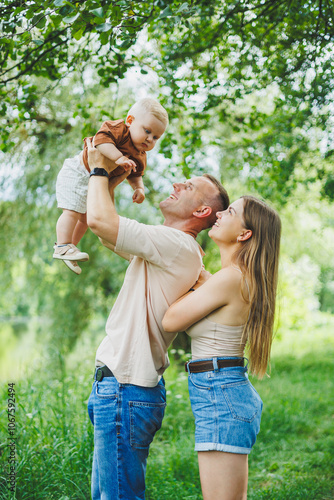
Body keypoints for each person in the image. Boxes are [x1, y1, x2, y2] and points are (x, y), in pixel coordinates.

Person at [85, 138, 230, 500]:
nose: (178, 183)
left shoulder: (177, 245)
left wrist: (99, 167)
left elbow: (101, 221)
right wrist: (113, 178)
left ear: (200, 212)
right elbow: (104, 231)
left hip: (125, 388)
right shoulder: (166, 249)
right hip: (120, 388)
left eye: (190, 187)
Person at [162, 196, 281, 500]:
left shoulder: (231, 278)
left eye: (230, 211)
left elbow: (171, 320)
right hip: (219, 390)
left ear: (244, 234)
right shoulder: (231, 277)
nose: (218, 213)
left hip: (220, 393)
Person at [53, 97, 168, 274]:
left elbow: (136, 174)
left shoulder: (140, 154)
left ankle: (70, 248)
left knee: (86, 218)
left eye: (155, 137)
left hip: (95, 181)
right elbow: (100, 142)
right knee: (72, 211)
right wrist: (118, 157)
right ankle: (61, 245)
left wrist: (139, 188)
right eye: (147, 131)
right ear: (130, 121)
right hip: (78, 172)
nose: (150, 139)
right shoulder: (118, 130)